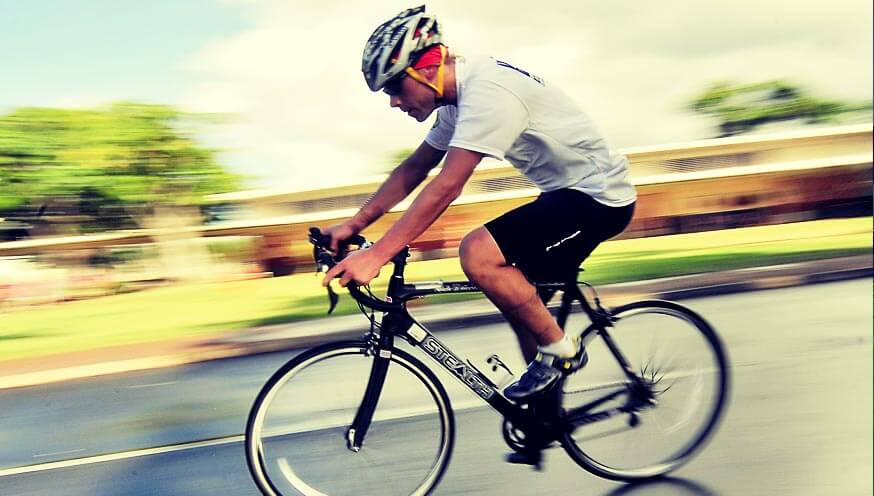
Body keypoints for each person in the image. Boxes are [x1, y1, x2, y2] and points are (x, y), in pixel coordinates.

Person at [323, 5, 636, 402]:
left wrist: (379, 255)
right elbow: (416, 167)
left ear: (429, 67)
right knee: (522, 307)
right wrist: (353, 226)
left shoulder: (489, 93)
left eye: (395, 88)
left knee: (478, 253)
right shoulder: (457, 100)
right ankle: (543, 416)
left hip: (599, 198)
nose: (394, 102)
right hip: (565, 193)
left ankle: (562, 352)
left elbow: (447, 186)